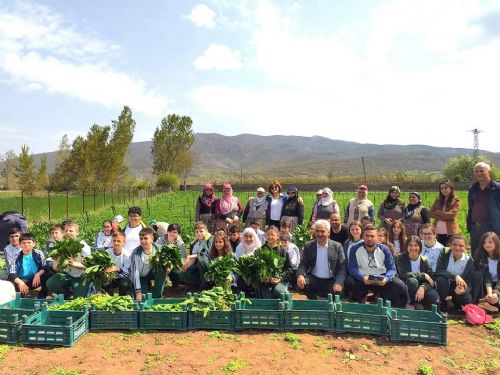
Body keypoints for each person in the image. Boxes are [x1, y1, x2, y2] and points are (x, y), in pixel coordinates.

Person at [346, 225, 406, 307]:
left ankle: (380, 297)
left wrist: (386, 278)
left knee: (400, 285)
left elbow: (392, 269)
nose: (369, 239)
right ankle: (362, 296)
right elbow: (352, 268)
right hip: (364, 278)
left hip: (380, 278)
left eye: (372, 236)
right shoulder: (355, 248)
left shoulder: (384, 249)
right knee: (349, 282)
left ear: (377, 237)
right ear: (363, 236)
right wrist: (362, 277)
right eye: (367, 236)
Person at [297, 220, 346, 300]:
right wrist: (300, 275)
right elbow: (303, 263)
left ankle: (326, 301)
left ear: (328, 233)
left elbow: (342, 267)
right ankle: (315, 301)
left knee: (339, 292)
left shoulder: (337, 246)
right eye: (317, 231)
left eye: (322, 231)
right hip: (314, 278)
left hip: (330, 279)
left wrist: (339, 282)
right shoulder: (309, 245)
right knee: (301, 284)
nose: (319, 234)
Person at [46, 221, 92, 298]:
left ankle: (82, 292)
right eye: (66, 231)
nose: (68, 233)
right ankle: (68, 295)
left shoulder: (83, 245)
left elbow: (89, 265)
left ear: (77, 233)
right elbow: (55, 267)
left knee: (79, 298)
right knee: (51, 283)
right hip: (67, 274)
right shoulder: (61, 244)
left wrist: (75, 264)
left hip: (81, 276)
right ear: (63, 232)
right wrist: (58, 261)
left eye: (71, 231)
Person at [396, 236, 439, 310]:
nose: (413, 248)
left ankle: (427, 308)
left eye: (416, 245)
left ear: (420, 248)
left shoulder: (424, 260)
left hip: (421, 286)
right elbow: (403, 274)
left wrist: (423, 287)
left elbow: (431, 279)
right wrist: (423, 275)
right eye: (410, 245)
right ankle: (412, 303)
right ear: (407, 247)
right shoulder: (401, 258)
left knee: (433, 297)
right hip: (407, 286)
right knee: (412, 281)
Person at [467, 162, 500, 253]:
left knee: (492, 254)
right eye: (476, 171)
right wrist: (470, 226)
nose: (478, 173)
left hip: (492, 228)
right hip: (475, 228)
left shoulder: (497, 189)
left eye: (482, 171)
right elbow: (471, 207)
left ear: (489, 172)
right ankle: (477, 268)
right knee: (476, 253)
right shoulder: (472, 189)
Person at [169, 222, 213, 291]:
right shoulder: (195, 243)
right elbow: (193, 259)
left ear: (206, 231)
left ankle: (205, 285)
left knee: (201, 261)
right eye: (197, 232)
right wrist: (186, 266)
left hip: (208, 266)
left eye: (201, 231)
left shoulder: (210, 239)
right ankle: (194, 283)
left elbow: (204, 255)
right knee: (178, 268)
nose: (199, 233)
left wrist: (189, 257)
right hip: (196, 266)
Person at [435, 235, 474, 312]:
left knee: (466, 300)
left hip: (458, 287)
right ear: (450, 245)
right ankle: (442, 303)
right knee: (441, 280)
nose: (457, 248)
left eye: (461, 246)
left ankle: (455, 304)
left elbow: (469, 281)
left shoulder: (469, 260)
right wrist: (455, 276)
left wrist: (464, 290)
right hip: (445, 285)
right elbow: (439, 270)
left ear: (465, 247)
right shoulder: (444, 254)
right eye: (454, 245)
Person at [254, 226, 294, 299]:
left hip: (278, 280)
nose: (270, 237)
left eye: (272, 235)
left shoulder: (282, 250)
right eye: (268, 235)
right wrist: (264, 276)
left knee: (280, 292)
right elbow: (256, 267)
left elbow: (289, 269)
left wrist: (280, 278)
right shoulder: (261, 249)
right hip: (264, 280)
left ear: (277, 236)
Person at [8, 233, 48, 298]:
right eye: (23, 243)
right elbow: (11, 273)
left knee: (47, 274)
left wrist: (38, 274)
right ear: (20, 245)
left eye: (29, 242)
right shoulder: (15, 255)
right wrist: (21, 283)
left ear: (34, 244)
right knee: (15, 285)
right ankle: (21, 300)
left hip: (36, 279)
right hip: (23, 280)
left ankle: (42, 296)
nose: (26, 245)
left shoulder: (38, 253)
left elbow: (45, 267)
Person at [130, 227, 166, 300]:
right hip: (141, 276)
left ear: (152, 239)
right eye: (141, 238)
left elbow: (168, 260)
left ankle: (157, 296)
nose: (143, 241)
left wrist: (168, 267)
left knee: (162, 269)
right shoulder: (136, 253)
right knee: (143, 298)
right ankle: (143, 288)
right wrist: (138, 292)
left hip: (153, 273)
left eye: (146, 238)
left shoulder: (159, 249)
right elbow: (135, 273)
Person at [472, 232, 499, 311]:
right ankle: (478, 300)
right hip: (485, 286)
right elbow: (486, 278)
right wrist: (490, 293)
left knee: (495, 302)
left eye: (490, 242)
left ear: (496, 243)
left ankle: (490, 302)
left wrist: (496, 293)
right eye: (484, 242)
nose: (487, 244)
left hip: (498, 286)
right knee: (477, 274)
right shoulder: (480, 257)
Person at [429, 179, 461, 246]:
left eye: (445, 188)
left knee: (449, 251)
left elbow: (451, 215)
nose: (443, 190)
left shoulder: (456, 200)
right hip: (437, 231)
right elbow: (430, 213)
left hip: (450, 232)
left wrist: (437, 211)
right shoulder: (438, 199)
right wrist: (444, 217)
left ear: (451, 188)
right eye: (441, 188)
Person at [105, 231, 132, 296]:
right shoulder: (107, 253)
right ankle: (109, 300)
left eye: (119, 241)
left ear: (124, 242)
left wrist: (118, 269)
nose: (116, 243)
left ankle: (122, 299)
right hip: (111, 278)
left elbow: (127, 274)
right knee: (105, 283)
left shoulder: (127, 255)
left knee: (124, 284)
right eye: (114, 241)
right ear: (112, 241)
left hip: (122, 278)